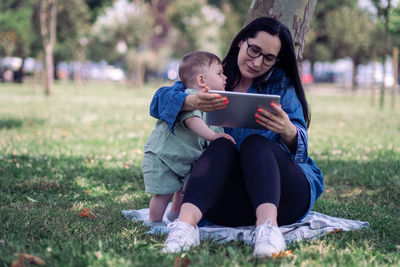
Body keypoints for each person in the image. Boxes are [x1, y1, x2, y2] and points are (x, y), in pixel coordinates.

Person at [149, 17, 324, 257]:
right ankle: (184, 227)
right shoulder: (213, 75)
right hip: (224, 199)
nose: (257, 62)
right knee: (221, 145)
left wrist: (287, 129)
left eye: (268, 58)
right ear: (241, 42)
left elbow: (301, 147)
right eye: (254, 50)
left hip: (282, 195)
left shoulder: (281, 85)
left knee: (255, 144)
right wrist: (190, 101)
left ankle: (268, 230)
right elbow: (158, 101)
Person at [142, 51, 235, 227]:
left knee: (184, 190)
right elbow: (193, 121)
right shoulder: (189, 97)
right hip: (164, 157)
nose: (225, 77)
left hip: (185, 158)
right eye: (219, 73)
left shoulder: (214, 103)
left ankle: (175, 214)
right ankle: (154, 221)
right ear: (201, 80)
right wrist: (214, 136)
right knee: (164, 193)